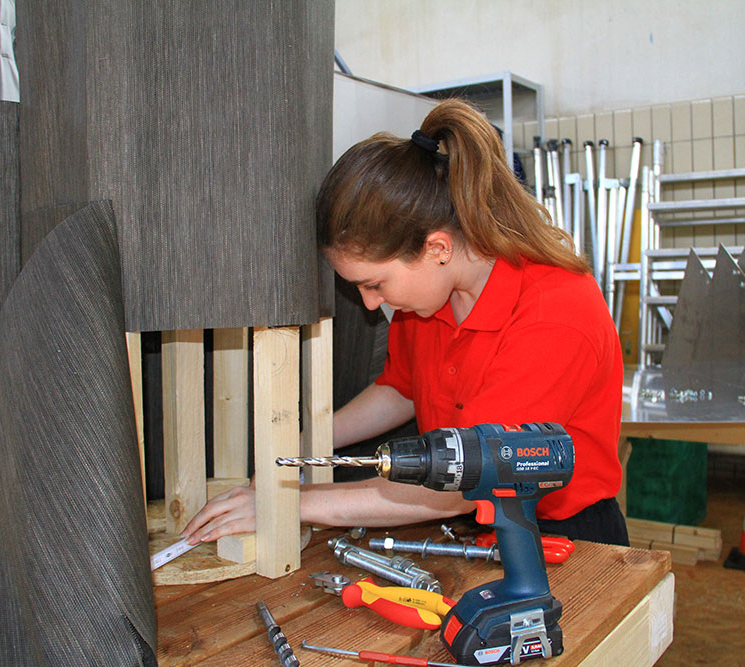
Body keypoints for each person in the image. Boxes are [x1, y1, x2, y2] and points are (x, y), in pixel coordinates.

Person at [182, 99, 628, 547]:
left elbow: (464, 484)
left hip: (570, 541)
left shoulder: (554, 313)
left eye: (375, 283)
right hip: (475, 531)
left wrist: (287, 503)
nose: (370, 304)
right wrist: (302, 443)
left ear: (438, 248)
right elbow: (402, 390)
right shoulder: (429, 300)